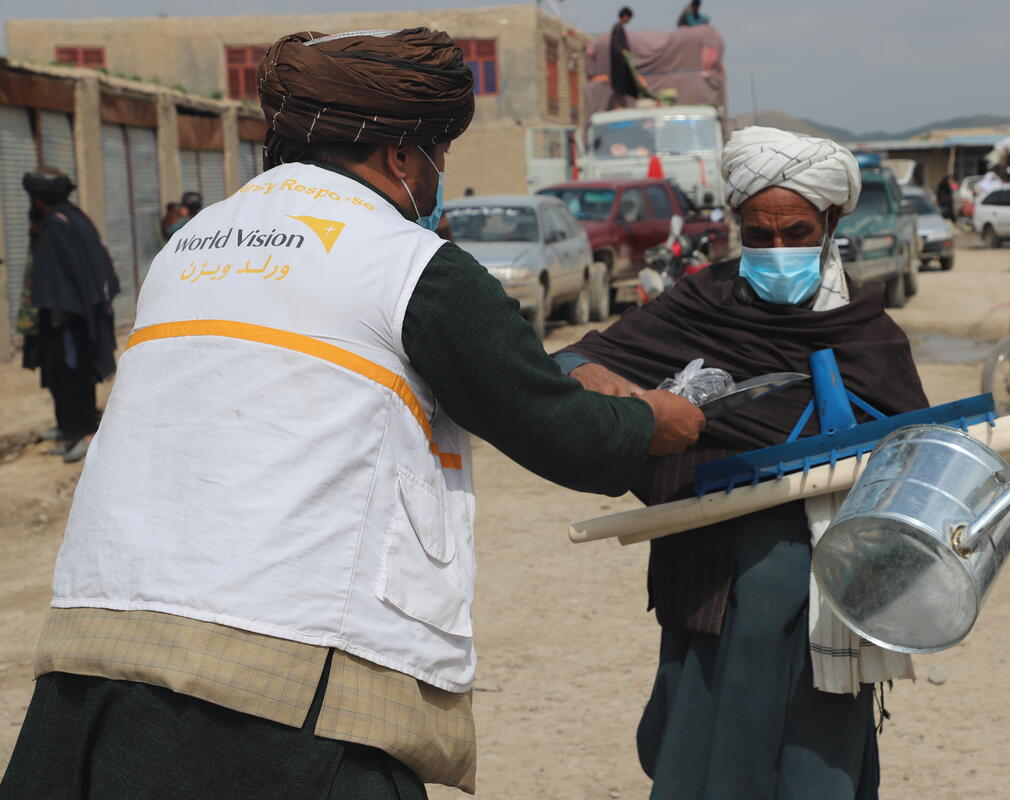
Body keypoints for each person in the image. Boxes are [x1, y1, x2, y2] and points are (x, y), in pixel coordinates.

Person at [0, 29, 704, 800]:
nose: (440, 175)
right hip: (275, 679)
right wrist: (654, 422)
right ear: (403, 157)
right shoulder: (410, 264)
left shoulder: (189, 245)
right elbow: (562, 433)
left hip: (92, 650)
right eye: (440, 154)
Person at [554, 128, 928, 799]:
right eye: (760, 233)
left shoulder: (866, 331)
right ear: (738, 225)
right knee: (705, 758)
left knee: (813, 770)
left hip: (827, 599)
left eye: (795, 232)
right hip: (711, 588)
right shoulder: (700, 305)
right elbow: (574, 359)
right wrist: (614, 389)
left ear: (830, 223)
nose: (776, 248)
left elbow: (916, 459)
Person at [16, 168, 119, 464]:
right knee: (59, 375)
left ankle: (84, 432)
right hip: (72, 315)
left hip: (69, 318)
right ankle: (69, 429)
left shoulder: (57, 226)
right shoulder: (71, 217)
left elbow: (63, 279)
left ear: (38, 200)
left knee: (74, 374)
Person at [609, 6, 643, 110]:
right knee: (620, 83)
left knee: (627, 83)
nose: (629, 20)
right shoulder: (617, 28)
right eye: (629, 17)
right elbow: (615, 44)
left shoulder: (620, 28)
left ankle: (627, 103)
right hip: (619, 62)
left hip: (622, 61)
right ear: (625, 16)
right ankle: (618, 105)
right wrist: (622, 51)